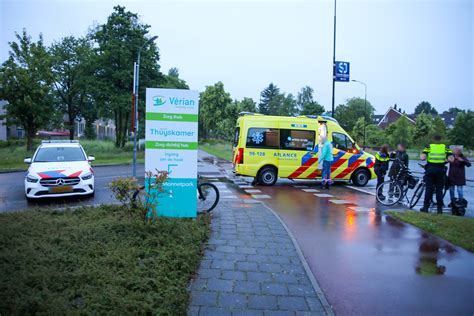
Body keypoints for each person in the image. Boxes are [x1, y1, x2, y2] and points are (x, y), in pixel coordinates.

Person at [420, 135, 452, 214]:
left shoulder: (429, 147)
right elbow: (451, 159)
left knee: (428, 189)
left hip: (430, 169)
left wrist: (424, 155)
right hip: (440, 170)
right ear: (441, 140)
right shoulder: (445, 147)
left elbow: (422, 158)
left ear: (433, 139)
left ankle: (425, 207)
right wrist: (445, 161)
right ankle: (439, 209)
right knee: (439, 190)